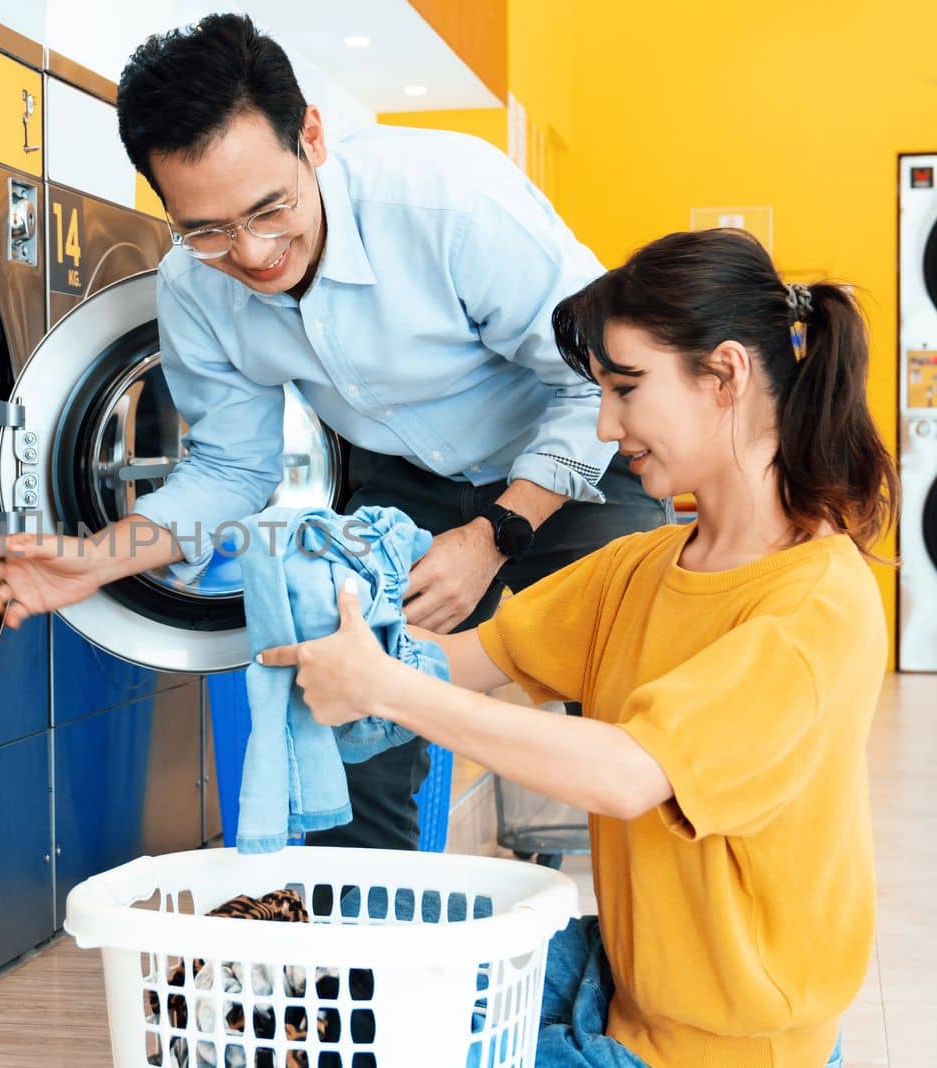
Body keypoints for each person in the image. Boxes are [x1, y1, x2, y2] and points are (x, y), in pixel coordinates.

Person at [0, 13, 669, 851]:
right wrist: (95, 558)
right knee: (352, 715)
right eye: (208, 229)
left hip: (581, 458)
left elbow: (589, 378)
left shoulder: (451, 203)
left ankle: (658, 955)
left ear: (310, 136)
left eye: (270, 209)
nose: (255, 253)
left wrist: (495, 532)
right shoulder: (195, 286)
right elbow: (232, 468)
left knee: (640, 718)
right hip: (404, 485)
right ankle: (364, 959)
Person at [260, 228, 894, 1066]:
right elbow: (458, 663)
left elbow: (628, 771)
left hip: (733, 1048)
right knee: (371, 1000)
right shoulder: (639, 568)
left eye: (627, 389)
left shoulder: (817, 607)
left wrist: (388, 690)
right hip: (625, 992)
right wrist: (341, 633)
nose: (605, 423)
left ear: (727, 375)